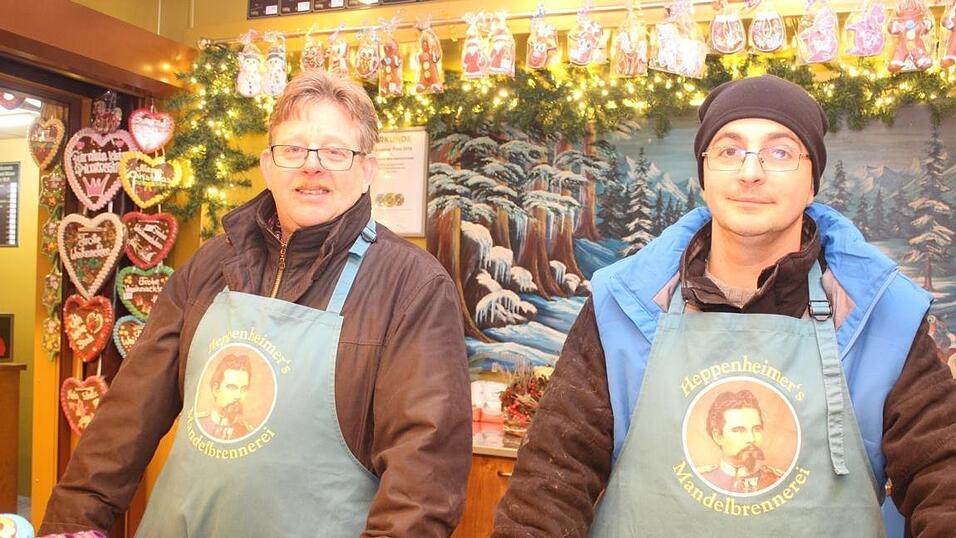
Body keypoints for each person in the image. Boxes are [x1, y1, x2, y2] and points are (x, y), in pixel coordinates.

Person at [493, 75, 956, 536]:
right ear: (704, 175)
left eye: (780, 152)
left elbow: (944, 482)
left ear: (812, 181)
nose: (750, 172)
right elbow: (548, 489)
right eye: (729, 150)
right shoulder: (622, 305)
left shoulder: (883, 315)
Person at [40, 70, 472, 537]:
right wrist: (71, 524)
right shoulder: (211, 265)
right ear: (268, 164)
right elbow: (126, 416)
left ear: (366, 170)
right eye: (293, 149)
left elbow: (423, 478)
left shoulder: (411, 286)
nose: (313, 166)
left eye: (335, 151)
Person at [699, 389, 781, 494]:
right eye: (739, 430)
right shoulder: (702, 480)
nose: (751, 439)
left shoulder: (777, 481)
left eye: (757, 429)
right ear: (718, 436)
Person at [195, 353, 255, 441]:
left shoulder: (249, 434)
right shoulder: (199, 424)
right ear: (216, 389)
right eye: (232, 387)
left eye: (244, 389)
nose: (238, 395)